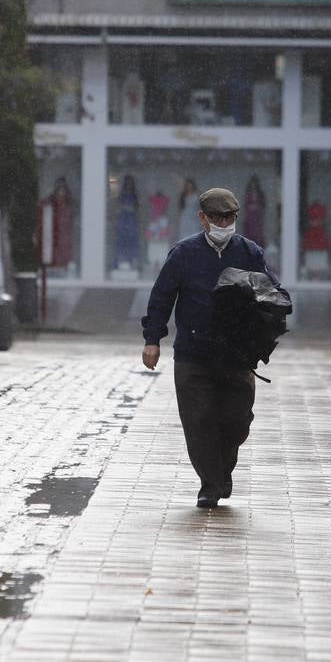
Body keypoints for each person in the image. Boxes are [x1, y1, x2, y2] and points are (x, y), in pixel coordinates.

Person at [141, 188, 285, 508]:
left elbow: (275, 293)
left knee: (237, 420)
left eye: (230, 217)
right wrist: (153, 339)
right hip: (193, 353)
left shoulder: (250, 253)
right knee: (199, 419)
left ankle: (222, 469)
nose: (224, 222)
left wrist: (265, 314)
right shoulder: (184, 254)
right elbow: (162, 297)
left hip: (236, 356)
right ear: (203, 218)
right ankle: (210, 483)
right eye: (218, 217)